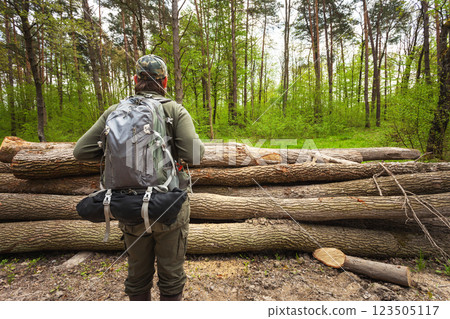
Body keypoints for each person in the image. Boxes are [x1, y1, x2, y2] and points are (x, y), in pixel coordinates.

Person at [73, 54, 205, 301]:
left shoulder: (115, 111)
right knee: (171, 273)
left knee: (136, 276)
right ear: (164, 82)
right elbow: (194, 155)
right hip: (169, 204)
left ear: (135, 80)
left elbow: (81, 151)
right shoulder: (174, 110)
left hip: (129, 204)